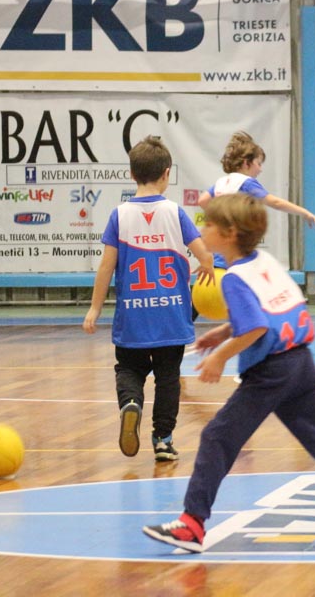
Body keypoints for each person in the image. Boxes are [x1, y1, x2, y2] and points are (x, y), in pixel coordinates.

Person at [142, 193, 315, 553]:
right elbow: (271, 312)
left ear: (230, 234)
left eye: (210, 224)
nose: (203, 230)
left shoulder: (233, 278)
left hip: (271, 371)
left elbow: (257, 327)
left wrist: (220, 357)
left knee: (217, 437)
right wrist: (223, 332)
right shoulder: (265, 262)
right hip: (302, 364)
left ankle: (192, 525)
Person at [84, 136, 214, 461]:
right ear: (167, 173)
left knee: (129, 368)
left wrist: (94, 308)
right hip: (171, 314)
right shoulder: (175, 213)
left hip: (133, 315)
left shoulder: (119, 215)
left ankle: (131, 403)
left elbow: (106, 267)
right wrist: (204, 267)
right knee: (169, 379)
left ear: (132, 174)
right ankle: (163, 440)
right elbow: (205, 255)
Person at [197, 131, 315, 230]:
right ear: (246, 163)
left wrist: (222, 219)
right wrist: (304, 212)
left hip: (220, 246)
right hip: (237, 247)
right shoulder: (246, 183)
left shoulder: (222, 181)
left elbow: (202, 201)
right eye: (259, 163)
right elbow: (276, 203)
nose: (260, 169)